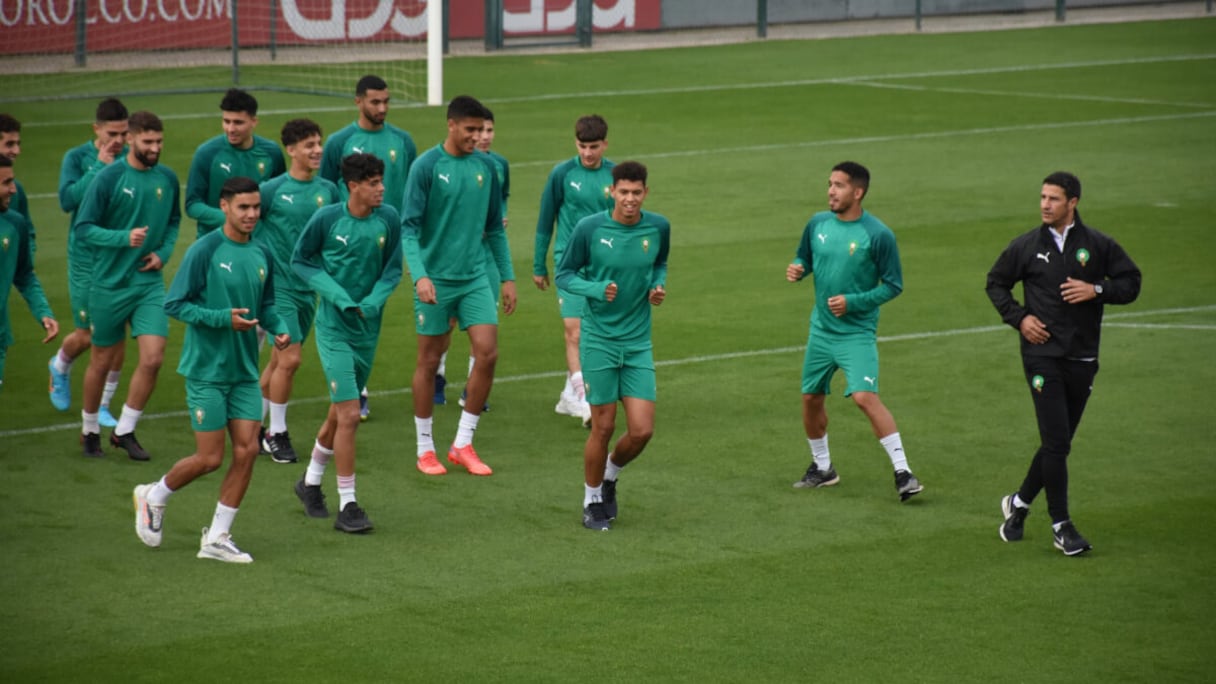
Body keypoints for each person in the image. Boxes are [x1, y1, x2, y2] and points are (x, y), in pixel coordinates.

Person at [133, 177, 290, 563]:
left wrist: (280, 326)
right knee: (209, 458)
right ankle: (154, 496)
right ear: (224, 207)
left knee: (248, 450)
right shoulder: (205, 250)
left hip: (245, 373)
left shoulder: (262, 254)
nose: (252, 214)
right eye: (244, 207)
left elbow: (265, 304)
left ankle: (217, 537)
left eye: (256, 207)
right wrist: (223, 319)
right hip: (206, 371)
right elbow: (175, 305)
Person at [986, 171, 1141, 556]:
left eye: (1053, 199)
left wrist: (1097, 289)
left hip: (1084, 357)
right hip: (1041, 357)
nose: (1044, 205)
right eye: (1042, 197)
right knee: (1057, 441)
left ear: (1072, 202)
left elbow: (1131, 282)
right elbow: (995, 283)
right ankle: (1061, 526)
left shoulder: (1098, 245)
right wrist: (1020, 318)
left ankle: (1019, 506)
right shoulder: (1025, 246)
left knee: (1059, 442)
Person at [786, 161, 923, 502]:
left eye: (839, 185)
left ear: (857, 192)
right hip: (821, 331)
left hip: (856, 333)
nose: (831, 190)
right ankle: (823, 468)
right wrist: (798, 269)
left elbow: (893, 285)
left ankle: (903, 473)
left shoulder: (878, 235)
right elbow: (805, 256)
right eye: (830, 184)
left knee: (864, 397)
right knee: (810, 398)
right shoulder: (817, 223)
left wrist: (854, 301)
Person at [402, 95, 515, 478]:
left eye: (481, 130)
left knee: (487, 352)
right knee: (429, 361)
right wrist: (420, 275)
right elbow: (409, 228)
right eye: (470, 130)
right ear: (450, 125)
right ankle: (424, 448)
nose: (477, 137)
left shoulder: (488, 168)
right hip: (435, 281)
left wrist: (508, 276)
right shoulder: (427, 166)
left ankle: (463, 443)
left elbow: (494, 229)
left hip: (474, 279)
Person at [291, 153, 402, 533]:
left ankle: (308, 483)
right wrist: (338, 296)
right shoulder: (327, 219)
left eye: (381, 182)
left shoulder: (388, 219)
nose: (381, 189)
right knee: (351, 414)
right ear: (353, 186)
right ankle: (349, 504)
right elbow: (302, 261)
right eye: (373, 183)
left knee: (340, 414)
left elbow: (392, 269)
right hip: (334, 330)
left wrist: (373, 300)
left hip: (367, 330)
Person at [555, 161, 669, 532]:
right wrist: (595, 290)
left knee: (642, 430)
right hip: (600, 341)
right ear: (612, 192)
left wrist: (657, 285)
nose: (630, 199)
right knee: (602, 427)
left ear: (645, 193)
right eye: (624, 192)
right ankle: (591, 501)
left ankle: (609, 477)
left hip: (637, 343)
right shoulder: (591, 228)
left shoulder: (659, 227)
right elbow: (566, 274)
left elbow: (660, 262)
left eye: (637, 192)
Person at [73, 111, 181, 460]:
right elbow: (84, 228)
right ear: (130, 140)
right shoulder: (108, 178)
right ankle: (90, 429)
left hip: (148, 283)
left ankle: (124, 430)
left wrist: (163, 253)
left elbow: (174, 221)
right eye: (148, 141)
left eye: (159, 141)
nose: (155, 147)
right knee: (101, 361)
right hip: (108, 283)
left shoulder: (167, 178)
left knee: (153, 358)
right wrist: (124, 238)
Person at [320, 74, 417, 422]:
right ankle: (353, 388)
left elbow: (411, 192)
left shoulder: (402, 142)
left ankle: (355, 380)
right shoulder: (340, 141)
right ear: (358, 101)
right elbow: (330, 191)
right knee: (346, 297)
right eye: (375, 102)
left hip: (387, 238)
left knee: (373, 305)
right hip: (347, 238)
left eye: (386, 101)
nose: (382, 108)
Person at [255, 119, 341, 465]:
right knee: (290, 359)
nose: (317, 150)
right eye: (309, 145)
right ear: (291, 150)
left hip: (310, 290)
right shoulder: (271, 190)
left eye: (319, 143)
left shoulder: (329, 191)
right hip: (278, 290)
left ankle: (251, 427)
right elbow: (241, 227)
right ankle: (277, 433)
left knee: (278, 362)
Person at [49, 98, 130, 424]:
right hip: (86, 257)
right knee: (88, 334)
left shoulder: (130, 158)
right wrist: (99, 164)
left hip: (119, 256)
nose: (119, 141)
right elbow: (68, 201)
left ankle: (105, 405)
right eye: (113, 133)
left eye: (124, 133)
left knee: (117, 333)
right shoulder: (78, 158)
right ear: (96, 129)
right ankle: (60, 365)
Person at [533, 114, 615, 427]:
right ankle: (585, 401)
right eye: (582, 146)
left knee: (597, 332)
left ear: (605, 144)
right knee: (575, 332)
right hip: (570, 264)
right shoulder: (562, 174)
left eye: (594, 146)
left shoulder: (614, 176)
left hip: (605, 265)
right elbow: (545, 220)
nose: (588, 153)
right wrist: (539, 264)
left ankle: (569, 394)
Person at [437, 107, 511, 410]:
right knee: (448, 322)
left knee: (483, 323)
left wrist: (498, 221)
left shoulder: (499, 165)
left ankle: (472, 388)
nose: (483, 137)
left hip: (487, 259)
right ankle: (437, 376)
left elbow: (500, 202)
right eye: (478, 131)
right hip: (453, 256)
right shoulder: (443, 165)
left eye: (489, 131)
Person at [185, 88, 285, 239]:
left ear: (254, 122)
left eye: (238, 123)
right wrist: (232, 220)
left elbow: (277, 200)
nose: (231, 129)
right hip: (215, 241)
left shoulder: (272, 153)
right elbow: (192, 204)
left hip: (257, 242)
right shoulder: (206, 153)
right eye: (226, 121)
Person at [0, 156, 59, 392]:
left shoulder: (15, 224)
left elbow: (24, 275)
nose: (13, 189)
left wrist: (43, 312)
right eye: (6, 182)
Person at [0, 114, 34, 251]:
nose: (17, 151)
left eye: (18, 144)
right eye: (9, 144)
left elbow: (28, 234)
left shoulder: (16, 189)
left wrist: (25, 266)